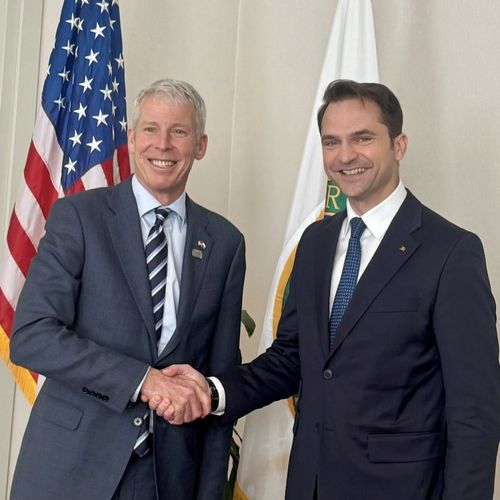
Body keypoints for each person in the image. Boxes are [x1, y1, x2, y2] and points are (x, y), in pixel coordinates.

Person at [155, 80, 500, 499]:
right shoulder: (315, 242)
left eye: (363, 138)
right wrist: (212, 391)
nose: (345, 155)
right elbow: (291, 358)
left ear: (399, 145)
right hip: (311, 484)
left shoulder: (451, 252)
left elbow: (475, 412)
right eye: (331, 142)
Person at [9, 79, 245, 500]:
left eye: (179, 131)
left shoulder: (225, 243)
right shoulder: (80, 217)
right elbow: (31, 336)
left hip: (166, 480)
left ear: (200, 145)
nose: (163, 144)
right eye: (151, 129)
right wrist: (143, 381)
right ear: (133, 139)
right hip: (69, 470)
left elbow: (218, 380)